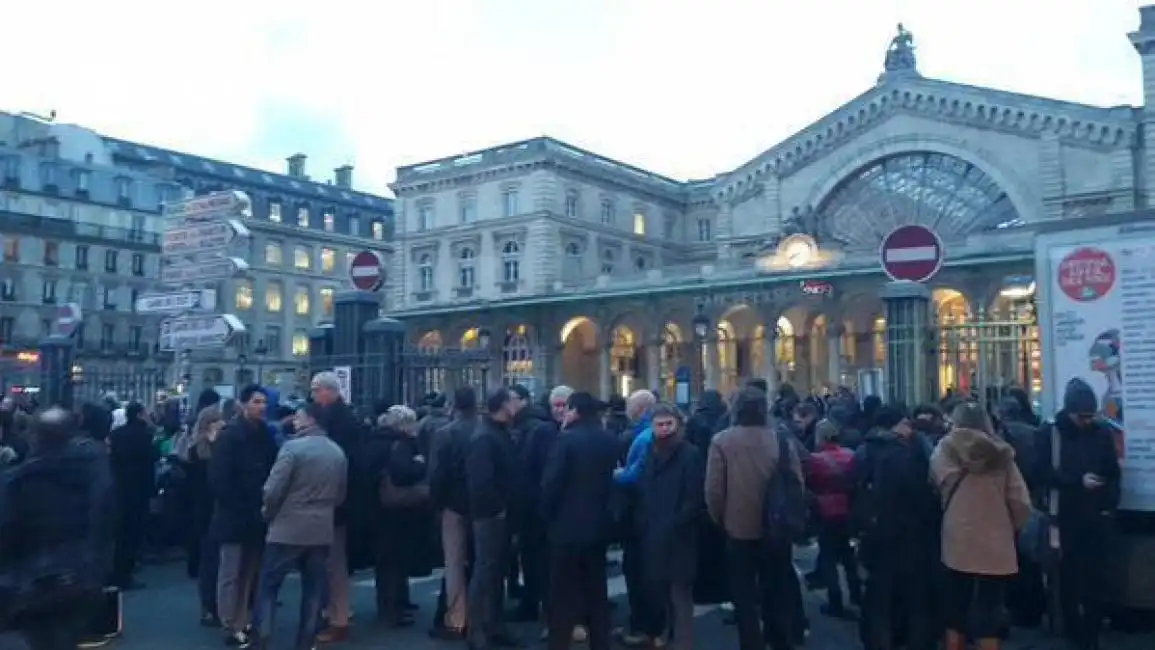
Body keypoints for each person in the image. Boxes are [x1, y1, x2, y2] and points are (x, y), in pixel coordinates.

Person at [0, 406, 117, 650]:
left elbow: (8, 530)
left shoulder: (18, 479)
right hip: (82, 571)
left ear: (35, 436)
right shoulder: (92, 471)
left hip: (35, 576)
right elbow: (105, 518)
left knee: (45, 638)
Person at [931, 402, 1032, 650]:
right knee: (990, 608)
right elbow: (1020, 501)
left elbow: (936, 487)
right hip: (996, 539)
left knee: (955, 604)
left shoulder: (944, 450)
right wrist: (1010, 527)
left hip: (958, 537)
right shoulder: (1002, 453)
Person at [706, 387, 800, 650]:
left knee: (744, 595)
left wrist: (721, 519)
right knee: (777, 589)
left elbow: (713, 490)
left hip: (738, 527)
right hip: (778, 526)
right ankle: (781, 640)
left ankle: (751, 643)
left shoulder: (722, 441)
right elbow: (796, 481)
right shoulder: (780, 439)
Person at [250, 402, 347, 650]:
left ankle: (262, 639)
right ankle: (306, 642)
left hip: (287, 526)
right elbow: (340, 494)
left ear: (310, 420)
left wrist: (267, 512)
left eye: (299, 416)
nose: (295, 421)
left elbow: (273, 490)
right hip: (321, 528)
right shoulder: (337, 452)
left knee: (269, 587)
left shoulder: (292, 449)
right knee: (314, 590)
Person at [1037, 379, 1121, 650]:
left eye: (1090, 416)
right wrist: (1076, 481)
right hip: (1064, 517)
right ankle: (1074, 632)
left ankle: (1090, 635)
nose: (1087, 421)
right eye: (1082, 416)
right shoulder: (1050, 434)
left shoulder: (1101, 432)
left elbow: (1113, 472)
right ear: (1070, 412)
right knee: (1068, 580)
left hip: (1096, 517)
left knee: (1097, 581)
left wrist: (1108, 504)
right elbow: (1040, 472)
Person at [539, 391, 619, 650]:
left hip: (565, 528)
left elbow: (551, 484)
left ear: (575, 410)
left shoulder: (566, 440)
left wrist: (546, 515)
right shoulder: (608, 440)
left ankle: (560, 642)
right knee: (596, 590)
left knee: (562, 592)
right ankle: (600, 642)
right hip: (597, 527)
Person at [209, 384, 277, 648]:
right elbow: (219, 478)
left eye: (263, 402)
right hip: (236, 512)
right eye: (256, 402)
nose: (261, 407)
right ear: (243, 404)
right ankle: (230, 621)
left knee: (249, 571)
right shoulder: (231, 436)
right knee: (232, 571)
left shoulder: (262, 434)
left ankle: (242, 618)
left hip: (254, 511)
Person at [636, 403, 703, 650]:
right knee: (661, 591)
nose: (664, 429)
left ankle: (683, 642)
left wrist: (677, 521)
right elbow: (645, 487)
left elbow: (694, 495)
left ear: (677, 425)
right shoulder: (651, 451)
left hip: (678, 533)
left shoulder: (690, 453)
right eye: (659, 424)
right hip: (656, 530)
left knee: (680, 593)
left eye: (668, 424)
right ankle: (668, 634)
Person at [465, 387, 522, 650]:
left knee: (497, 569)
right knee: (486, 570)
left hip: (501, 511)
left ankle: (494, 624)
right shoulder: (485, 437)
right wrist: (497, 508)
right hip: (490, 515)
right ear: (503, 405)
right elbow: (481, 481)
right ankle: (477, 630)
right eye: (513, 400)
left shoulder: (497, 432)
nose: (518, 404)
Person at [310, 371, 364, 644]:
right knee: (332, 562)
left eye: (316, 390)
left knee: (333, 563)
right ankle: (336, 611)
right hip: (343, 499)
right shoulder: (347, 417)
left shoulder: (335, 421)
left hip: (334, 501)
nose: (314, 396)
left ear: (327, 391)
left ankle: (337, 616)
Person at [429, 387, 479, 641]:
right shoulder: (484, 431)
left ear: (453, 404)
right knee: (481, 562)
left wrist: (436, 504)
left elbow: (437, 475)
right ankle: (480, 615)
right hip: (481, 505)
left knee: (455, 564)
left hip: (454, 504)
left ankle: (457, 618)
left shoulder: (446, 434)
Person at [107, 401, 159, 590]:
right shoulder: (145, 435)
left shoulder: (116, 435)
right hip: (138, 489)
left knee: (120, 533)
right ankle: (125, 574)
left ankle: (115, 572)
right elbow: (150, 462)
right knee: (133, 534)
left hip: (120, 487)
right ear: (138, 414)